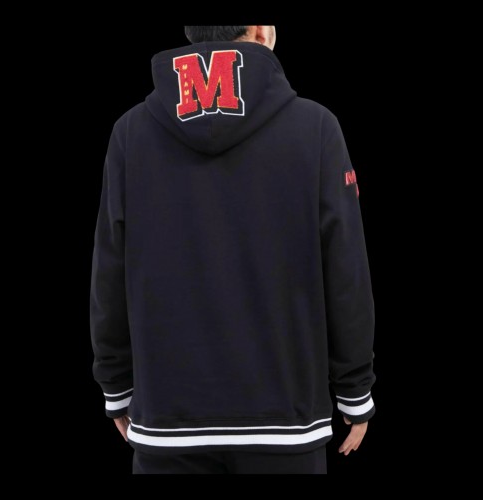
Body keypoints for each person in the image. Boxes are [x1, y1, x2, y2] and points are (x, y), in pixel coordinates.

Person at [90, 25, 376, 475]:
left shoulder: (130, 133)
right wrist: (354, 389)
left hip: (168, 422)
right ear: (262, 31)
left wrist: (116, 387)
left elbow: (108, 273)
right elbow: (346, 272)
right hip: (286, 425)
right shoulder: (316, 127)